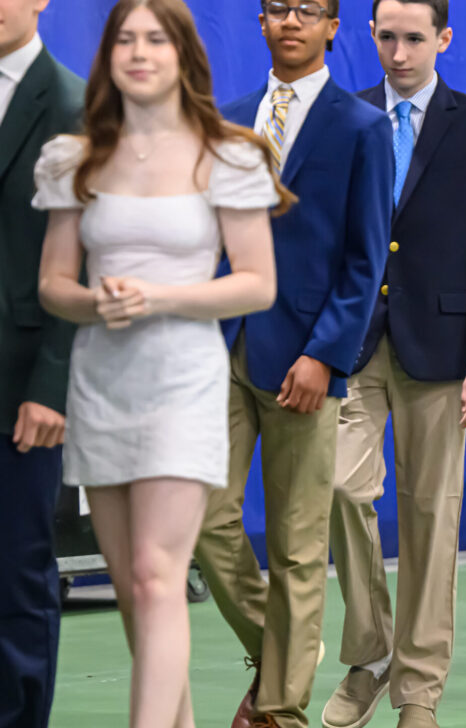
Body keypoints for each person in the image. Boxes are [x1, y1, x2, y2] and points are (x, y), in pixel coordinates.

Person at [33, 1, 288, 725]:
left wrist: (161, 296)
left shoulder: (228, 154)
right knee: (134, 586)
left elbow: (256, 282)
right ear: (108, 55)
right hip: (102, 382)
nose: (139, 52)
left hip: (185, 380)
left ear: (183, 55)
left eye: (155, 39)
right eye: (125, 39)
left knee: (156, 576)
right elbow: (55, 284)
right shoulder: (74, 157)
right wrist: (97, 303)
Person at [193, 1, 394, 726]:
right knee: (202, 525)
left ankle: (279, 710)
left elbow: (365, 261)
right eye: (278, 6)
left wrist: (326, 356)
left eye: (308, 9)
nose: (291, 19)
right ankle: (279, 656)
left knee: (298, 544)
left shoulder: (362, 127)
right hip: (221, 350)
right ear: (259, 20)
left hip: (306, 361)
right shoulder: (229, 118)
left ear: (335, 27)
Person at [320, 1, 466, 726]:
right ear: (370, 35)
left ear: (444, 39)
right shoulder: (347, 115)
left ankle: (418, 693)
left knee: (433, 519)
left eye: (414, 39)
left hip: (446, 346)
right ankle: (371, 649)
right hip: (355, 342)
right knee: (339, 487)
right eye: (387, 37)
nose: (399, 53)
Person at [0, 1, 83, 725]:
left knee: (19, 575)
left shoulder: (72, 104)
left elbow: (80, 258)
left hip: (21, 386)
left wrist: (52, 386)